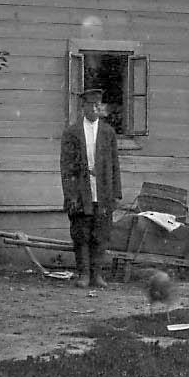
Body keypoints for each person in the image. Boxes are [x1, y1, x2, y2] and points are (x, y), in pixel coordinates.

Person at [60, 89, 122, 288]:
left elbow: (114, 165)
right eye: (91, 105)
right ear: (83, 107)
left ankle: (97, 275)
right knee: (81, 234)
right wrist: (70, 195)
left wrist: (115, 193)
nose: (96, 109)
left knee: (100, 234)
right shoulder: (72, 132)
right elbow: (66, 166)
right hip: (80, 193)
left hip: (102, 192)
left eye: (98, 105)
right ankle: (84, 275)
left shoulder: (108, 132)